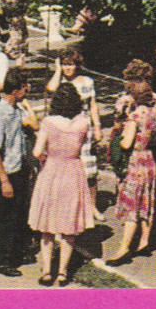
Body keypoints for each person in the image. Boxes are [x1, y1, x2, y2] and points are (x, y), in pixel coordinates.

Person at [27, 82, 98, 285]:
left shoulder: (49, 122)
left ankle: (47, 270)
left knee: (46, 225)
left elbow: (36, 152)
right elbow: (85, 144)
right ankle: (63, 271)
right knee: (69, 226)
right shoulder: (83, 123)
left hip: (51, 171)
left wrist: (45, 156)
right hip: (73, 172)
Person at [107, 85, 156, 265]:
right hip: (150, 159)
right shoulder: (154, 113)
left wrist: (120, 135)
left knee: (132, 205)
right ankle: (144, 241)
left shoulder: (134, 118)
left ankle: (124, 248)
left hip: (135, 162)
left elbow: (127, 144)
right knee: (147, 201)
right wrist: (155, 137)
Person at [0, 67, 38, 277]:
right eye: (24, 88)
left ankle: (17, 252)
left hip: (18, 170)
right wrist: (3, 180)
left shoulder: (16, 110)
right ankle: (3, 260)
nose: (27, 91)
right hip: (5, 174)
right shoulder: (1, 114)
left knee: (18, 215)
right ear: (15, 90)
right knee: (5, 218)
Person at [45, 48, 101, 208]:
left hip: (84, 128)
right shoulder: (60, 83)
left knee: (89, 169)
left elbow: (92, 105)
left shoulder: (87, 81)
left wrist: (97, 127)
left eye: (71, 65)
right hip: (64, 130)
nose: (67, 68)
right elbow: (50, 89)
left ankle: (92, 207)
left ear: (77, 65)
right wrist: (57, 70)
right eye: (64, 65)